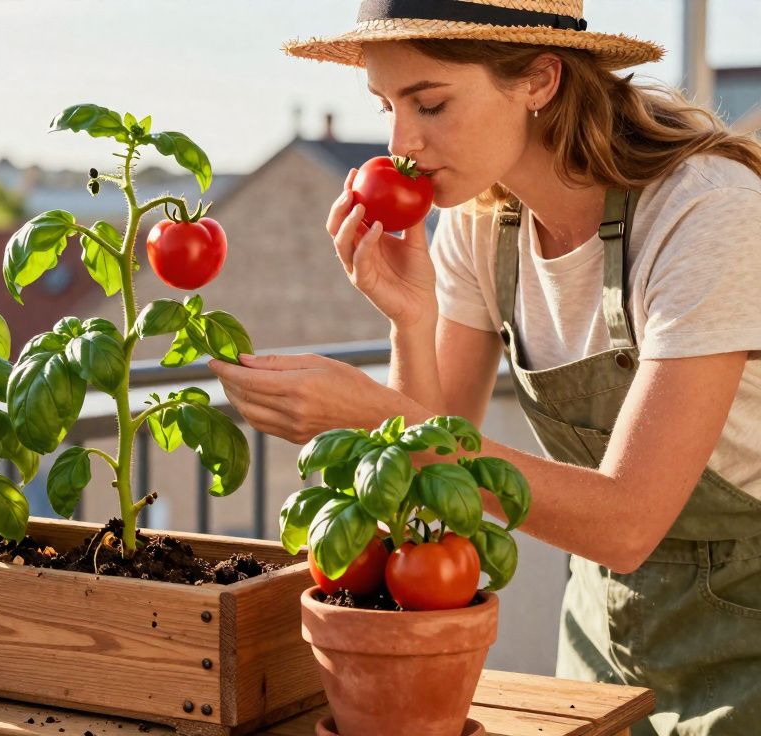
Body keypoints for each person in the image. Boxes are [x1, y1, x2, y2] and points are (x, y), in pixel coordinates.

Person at [206, 1, 761, 733]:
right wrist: (410, 316)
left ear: (539, 78)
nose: (401, 144)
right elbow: (432, 471)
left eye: (430, 103)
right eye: (387, 107)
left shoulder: (706, 214)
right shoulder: (482, 225)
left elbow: (629, 520)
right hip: (601, 620)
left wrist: (374, 414)